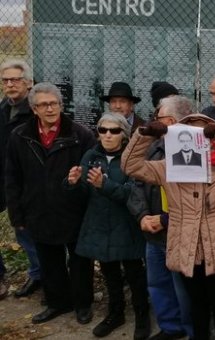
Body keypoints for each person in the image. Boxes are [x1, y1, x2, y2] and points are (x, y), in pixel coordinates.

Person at [122, 115, 215, 340]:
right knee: (195, 305)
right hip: (186, 247)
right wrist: (146, 135)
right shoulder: (168, 168)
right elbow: (130, 166)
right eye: (187, 135)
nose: (195, 142)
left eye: (202, 135)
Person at [5, 82, 96, 324]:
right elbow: (12, 176)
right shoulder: (20, 136)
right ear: (34, 109)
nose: (50, 109)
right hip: (38, 208)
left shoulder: (80, 135)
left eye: (54, 103)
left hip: (73, 209)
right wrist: (17, 213)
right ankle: (58, 302)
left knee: (79, 260)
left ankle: (82, 304)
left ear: (60, 105)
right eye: (44, 105)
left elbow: (91, 173)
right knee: (49, 260)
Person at [67, 112, 150, 339]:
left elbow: (133, 193)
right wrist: (73, 183)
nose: (108, 135)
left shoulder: (132, 158)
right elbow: (84, 193)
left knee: (134, 272)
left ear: (124, 135)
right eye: (103, 130)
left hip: (126, 224)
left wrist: (105, 184)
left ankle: (142, 314)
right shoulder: (91, 156)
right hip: (99, 224)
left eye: (114, 131)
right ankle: (116, 313)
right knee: (109, 272)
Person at [127, 95, 194, 340]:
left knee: (184, 289)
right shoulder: (153, 147)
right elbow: (136, 183)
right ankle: (170, 327)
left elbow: (195, 198)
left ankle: (191, 330)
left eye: (159, 117)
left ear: (173, 120)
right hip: (152, 233)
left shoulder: (194, 151)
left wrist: (165, 219)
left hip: (179, 234)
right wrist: (143, 215)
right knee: (158, 283)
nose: (154, 121)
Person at [0, 59, 42, 299]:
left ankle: (42, 275)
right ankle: (36, 273)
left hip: (29, 182)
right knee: (20, 229)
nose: (10, 84)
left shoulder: (35, 111)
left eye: (15, 79)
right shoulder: (2, 109)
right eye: (6, 80)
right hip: (6, 179)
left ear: (28, 83)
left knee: (29, 231)